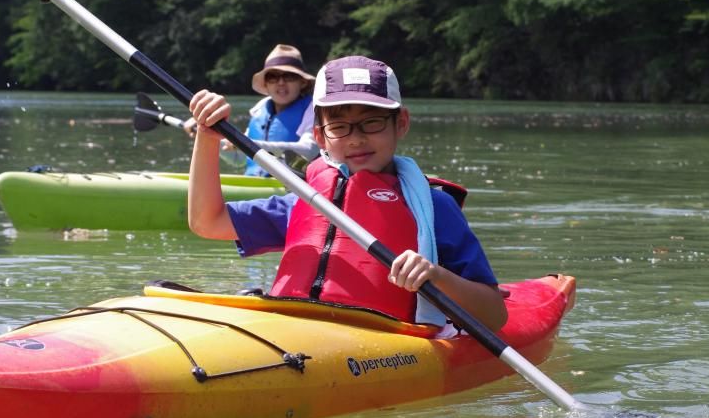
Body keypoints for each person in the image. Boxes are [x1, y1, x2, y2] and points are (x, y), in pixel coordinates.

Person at [187, 55, 507, 334]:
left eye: (371, 122)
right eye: (339, 127)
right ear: (319, 137)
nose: (355, 139)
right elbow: (207, 221)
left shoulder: (435, 207)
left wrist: (436, 276)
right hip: (290, 333)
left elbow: (494, 314)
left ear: (402, 123)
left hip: (385, 348)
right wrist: (208, 137)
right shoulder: (306, 200)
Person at [183, 44, 319, 176]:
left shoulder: (312, 110)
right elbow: (239, 159)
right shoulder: (260, 109)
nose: (281, 82)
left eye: (289, 76)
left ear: (302, 82)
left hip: (292, 189)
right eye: (273, 77)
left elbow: (309, 150)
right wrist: (206, 135)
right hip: (256, 184)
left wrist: (249, 143)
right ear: (266, 83)